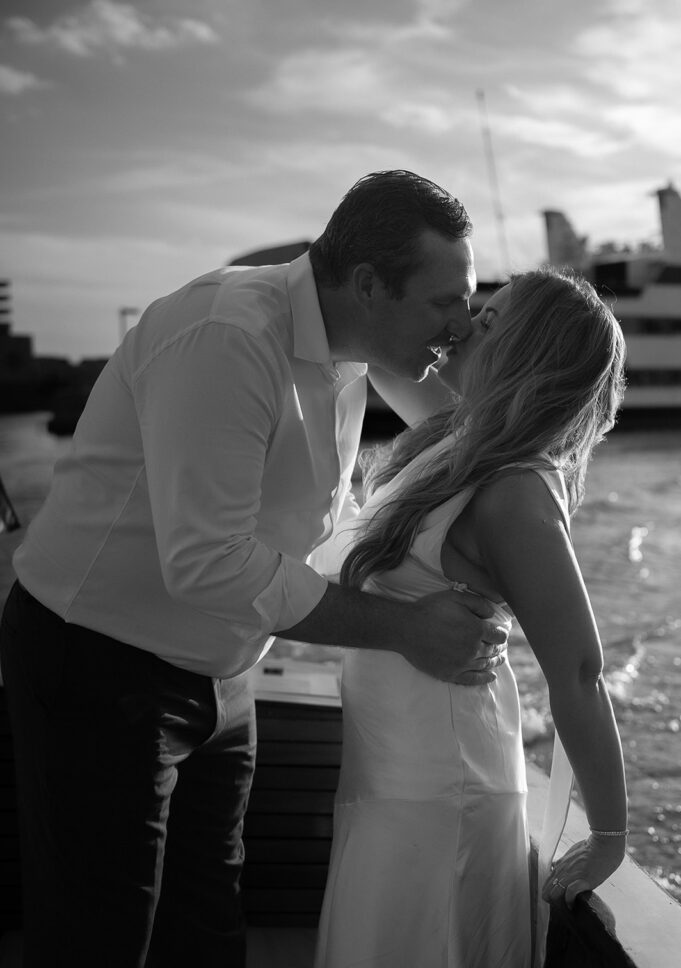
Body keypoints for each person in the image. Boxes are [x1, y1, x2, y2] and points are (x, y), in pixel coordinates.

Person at [0, 170, 510, 968]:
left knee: (205, 927)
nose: (458, 324)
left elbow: (463, 439)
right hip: (97, 663)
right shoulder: (229, 334)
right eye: (445, 302)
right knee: (100, 935)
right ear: (369, 284)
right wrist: (406, 630)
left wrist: (490, 362)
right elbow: (207, 564)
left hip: (223, 671)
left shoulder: (357, 344)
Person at [313, 268, 629, 968]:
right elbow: (371, 348)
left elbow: (578, 672)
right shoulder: (449, 439)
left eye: (486, 323)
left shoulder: (514, 488)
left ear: (525, 355)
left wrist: (608, 837)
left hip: (442, 788)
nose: (460, 328)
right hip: (392, 772)